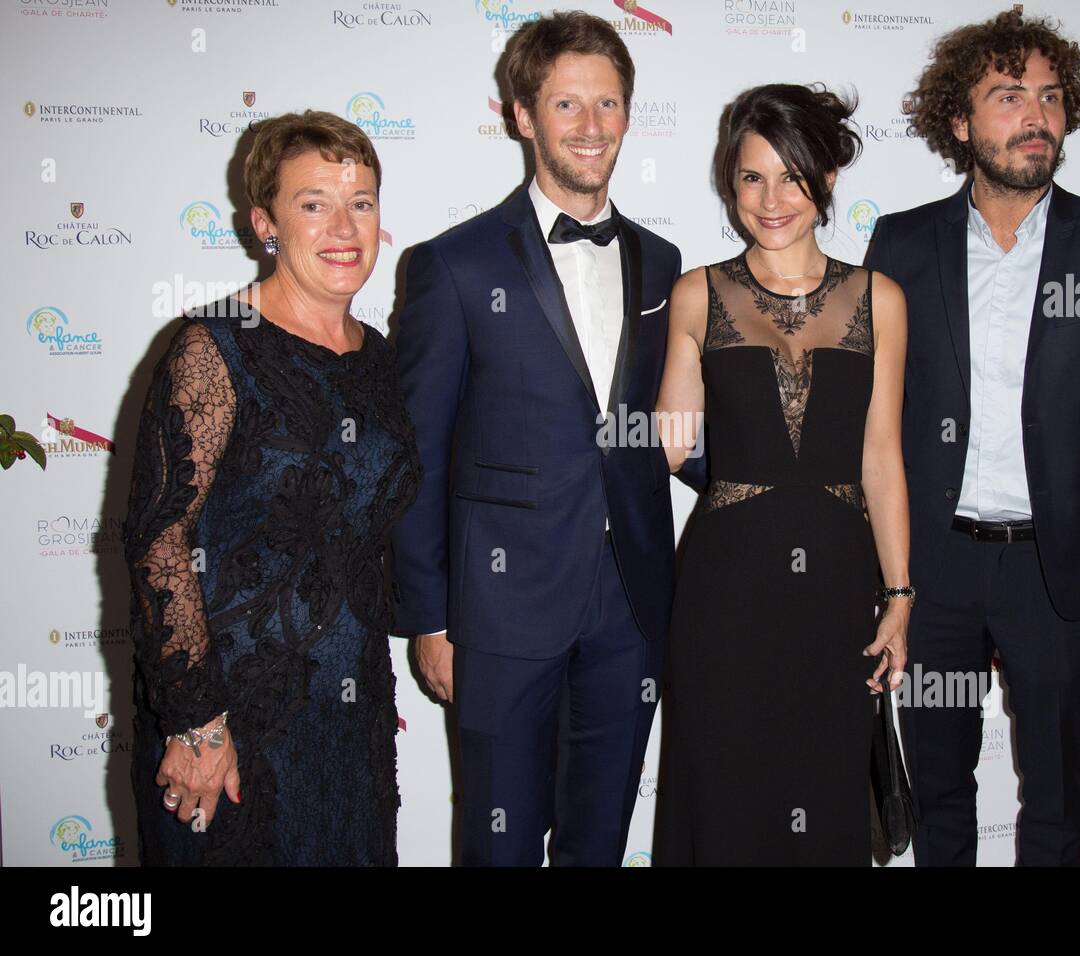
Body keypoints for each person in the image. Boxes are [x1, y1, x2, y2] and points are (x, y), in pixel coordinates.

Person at [391, 11, 704, 866]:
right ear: (522, 115)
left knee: (599, 841)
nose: (592, 127)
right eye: (567, 105)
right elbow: (417, 453)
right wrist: (430, 617)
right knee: (498, 845)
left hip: (632, 604)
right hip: (497, 610)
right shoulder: (453, 265)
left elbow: (669, 428)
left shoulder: (665, 262)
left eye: (608, 104)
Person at [865, 9, 1080, 866]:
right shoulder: (900, 244)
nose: (1035, 115)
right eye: (1008, 96)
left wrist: (1071, 482)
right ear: (959, 123)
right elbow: (880, 408)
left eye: (1049, 96)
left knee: (1056, 784)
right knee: (939, 784)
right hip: (936, 569)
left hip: (1057, 566)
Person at [125, 110, 421, 865]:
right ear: (265, 223)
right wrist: (196, 723)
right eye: (313, 203)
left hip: (350, 714)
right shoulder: (214, 347)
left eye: (362, 202)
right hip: (229, 724)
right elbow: (161, 537)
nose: (344, 226)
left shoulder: (382, 362)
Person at [653, 83, 911, 865]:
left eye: (792, 176)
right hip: (723, 588)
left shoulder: (880, 298)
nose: (771, 200)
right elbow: (670, 444)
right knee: (726, 781)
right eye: (751, 178)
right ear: (730, 185)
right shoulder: (697, 292)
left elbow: (882, 458)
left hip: (836, 582)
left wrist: (899, 594)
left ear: (827, 178)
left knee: (826, 773)